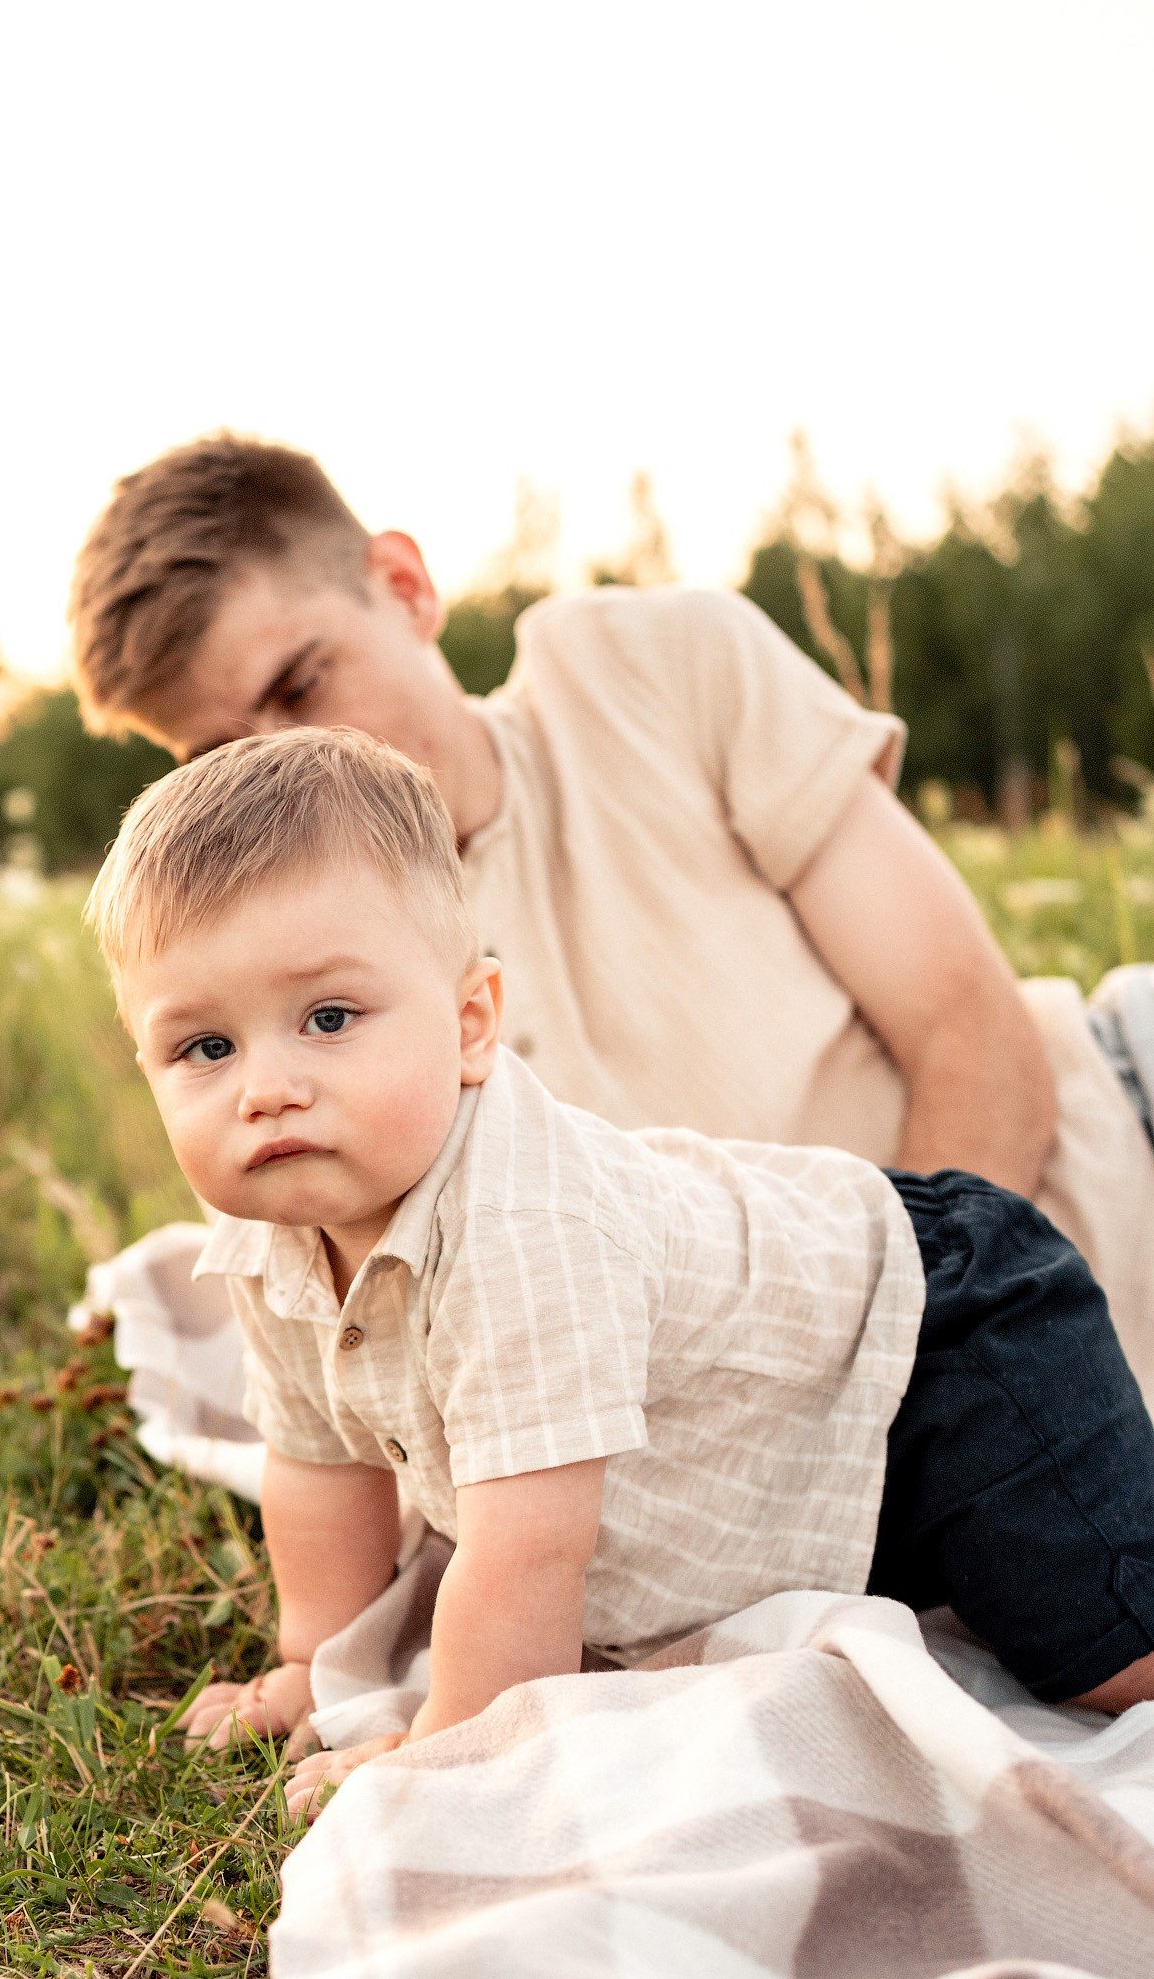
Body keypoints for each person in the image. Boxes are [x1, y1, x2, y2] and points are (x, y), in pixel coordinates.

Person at [85, 726, 1154, 1821]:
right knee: (941, 1598)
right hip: (794, 1450)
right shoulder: (269, 1228)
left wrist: (449, 1747)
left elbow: (528, 1550)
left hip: (943, 1338)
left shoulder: (524, 1230)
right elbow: (317, 1464)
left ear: (470, 1026)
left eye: (327, 1019)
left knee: (1111, 1654)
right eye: (205, 1047)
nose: (265, 1088)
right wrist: (312, 1662)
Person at [68, 433, 1154, 1404]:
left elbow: (971, 1031)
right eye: (219, 754)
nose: (283, 762)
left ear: (402, 587)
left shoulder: (647, 664)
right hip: (916, 1438)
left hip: (1100, 1156)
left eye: (303, 685)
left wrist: (914, 1393)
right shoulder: (286, 1004)